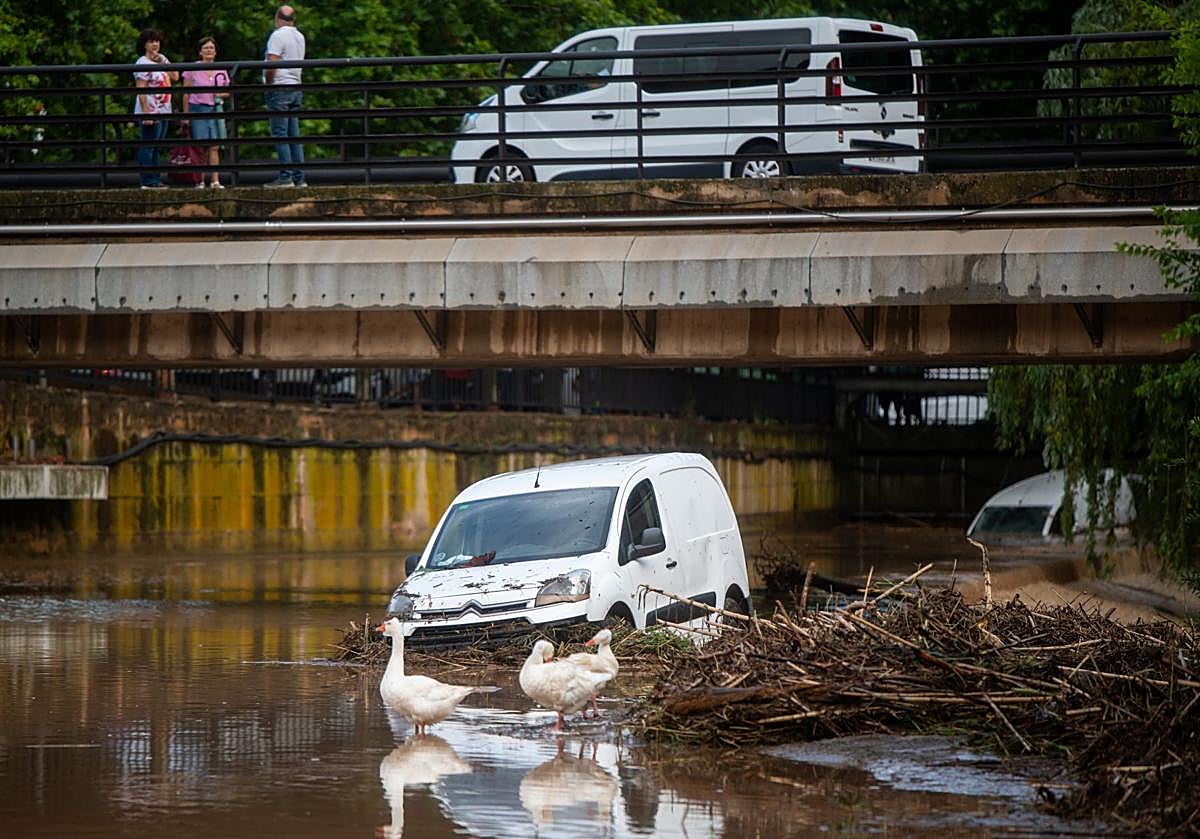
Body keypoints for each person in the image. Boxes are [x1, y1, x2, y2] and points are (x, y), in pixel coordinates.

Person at [263, 5, 306, 187]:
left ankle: (285, 176)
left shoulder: (278, 35)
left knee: (280, 134)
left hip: (280, 87)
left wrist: (268, 83)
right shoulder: (299, 36)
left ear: (277, 18)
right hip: (295, 87)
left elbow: (272, 62)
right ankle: (299, 177)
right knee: (293, 135)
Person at [182, 36, 230, 189]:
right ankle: (200, 180)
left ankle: (215, 180)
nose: (209, 51)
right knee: (201, 146)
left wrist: (219, 95)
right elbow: (186, 93)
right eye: (206, 48)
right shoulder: (193, 68)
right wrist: (186, 115)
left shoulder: (221, 68)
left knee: (214, 146)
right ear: (200, 52)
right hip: (198, 108)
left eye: (211, 48)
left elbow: (227, 91)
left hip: (215, 109)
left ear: (215, 52)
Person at [133, 29, 178, 189]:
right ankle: (147, 180)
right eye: (151, 41)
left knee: (157, 146)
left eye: (157, 41)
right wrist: (146, 113)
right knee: (148, 145)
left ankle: (156, 178)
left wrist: (163, 61)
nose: (155, 44)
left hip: (164, 109)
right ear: (144, 44)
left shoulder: (161, 59)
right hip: (150, 110)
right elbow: (141, 89)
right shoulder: (142, 62)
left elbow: (175, 76)